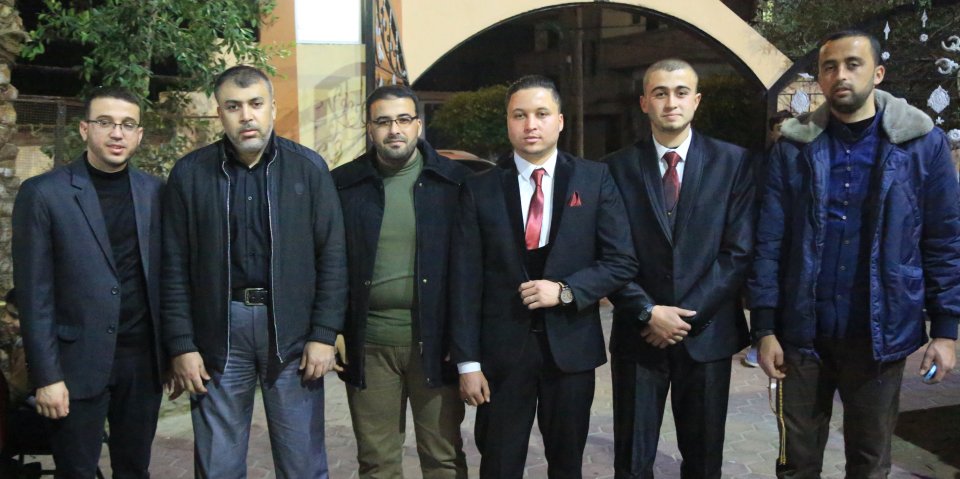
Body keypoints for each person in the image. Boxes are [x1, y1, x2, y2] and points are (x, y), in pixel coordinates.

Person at [749, 30, 960, 478]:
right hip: (802, 334)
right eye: (829, 67)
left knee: (869, 462)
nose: (840, 74)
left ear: (878, 73)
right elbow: (769, 241)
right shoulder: (794, 146)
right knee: (795, 463)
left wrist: (945, 331)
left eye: (853, 64)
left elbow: (944, 240)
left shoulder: (921, 144)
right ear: (820, 78)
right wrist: (764, 327)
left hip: (879, 334)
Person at [162, 65, 347, 477]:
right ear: (219, 113)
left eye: (255, 104)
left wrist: (323, 334)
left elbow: (333, 256)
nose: (246, 116)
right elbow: (172, 266)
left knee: (303, 464)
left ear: (272, 108)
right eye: (233, 106)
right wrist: (182, 344)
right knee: (218, 466)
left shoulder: (308, 169)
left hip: (293, 331)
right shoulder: (190, 174)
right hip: (218, 332)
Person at [451, 74, 637, 478]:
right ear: (507, 122)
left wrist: (567, 290)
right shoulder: (479, 189)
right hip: (501, 356)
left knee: (567, 465)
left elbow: (621, 261)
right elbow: (464, 282)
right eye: (519, 115)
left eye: (541, 114)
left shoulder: (593, 179)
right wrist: (467, 363)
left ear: (560, 121)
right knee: (499, 465)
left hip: (570, 351)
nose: (530, 124)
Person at [603, 59, 755, 478]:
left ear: (697, 100)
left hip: (706, 334)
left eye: (681, 92)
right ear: (644, 103)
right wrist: (647, 312)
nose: (671, 102)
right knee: (632, 462)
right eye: (660, 93)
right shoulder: (615, 168)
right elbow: (609, 253)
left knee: (704, 461)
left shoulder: (733, 162)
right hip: (640, 335)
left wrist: (683, 318)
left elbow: (738, 251)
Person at [12, 87, 165, 478]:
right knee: (77, 471)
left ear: (139, 135)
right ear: (84, 129)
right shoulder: (44, 194)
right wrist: (47, 376)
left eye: (127, 124)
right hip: (75, 363)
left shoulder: (155, 193)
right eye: (105, 122)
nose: (117, 133)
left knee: (136, 469)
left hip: (141, 362)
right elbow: (34, 295)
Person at [332, 84, 469, 478]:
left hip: (435, 344)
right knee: (377, 462)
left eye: (404, 120)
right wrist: (331, 327)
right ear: (369, 128)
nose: (394, 129)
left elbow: (470, 269)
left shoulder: (454, 183)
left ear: (418, 125)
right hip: (369, 345)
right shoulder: (344, 185)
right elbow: (329, 261)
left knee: (443, 457)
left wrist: (463, 338)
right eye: (383, 121)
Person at [744, 109, 796, 369]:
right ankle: (759, 341)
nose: (785, 133)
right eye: (780, 128)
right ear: (772, 131)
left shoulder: (797, 157)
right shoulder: (759, 160)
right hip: (761, 226)